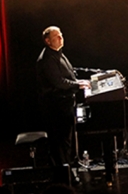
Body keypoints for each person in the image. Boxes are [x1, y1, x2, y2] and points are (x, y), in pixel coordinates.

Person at [35, 26, 89, 168]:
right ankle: (63, 170)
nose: (60, 38)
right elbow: (58, 82)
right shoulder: (47, 59)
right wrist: (78, 85)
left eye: (61, 35)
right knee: (60, 141)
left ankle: (68, 166)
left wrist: (83, 80)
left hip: (65, 104)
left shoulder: (58, 53)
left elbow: (70, 73)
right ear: (47, 41)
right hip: (56, 106)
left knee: (66, 140)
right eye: (56, 37)